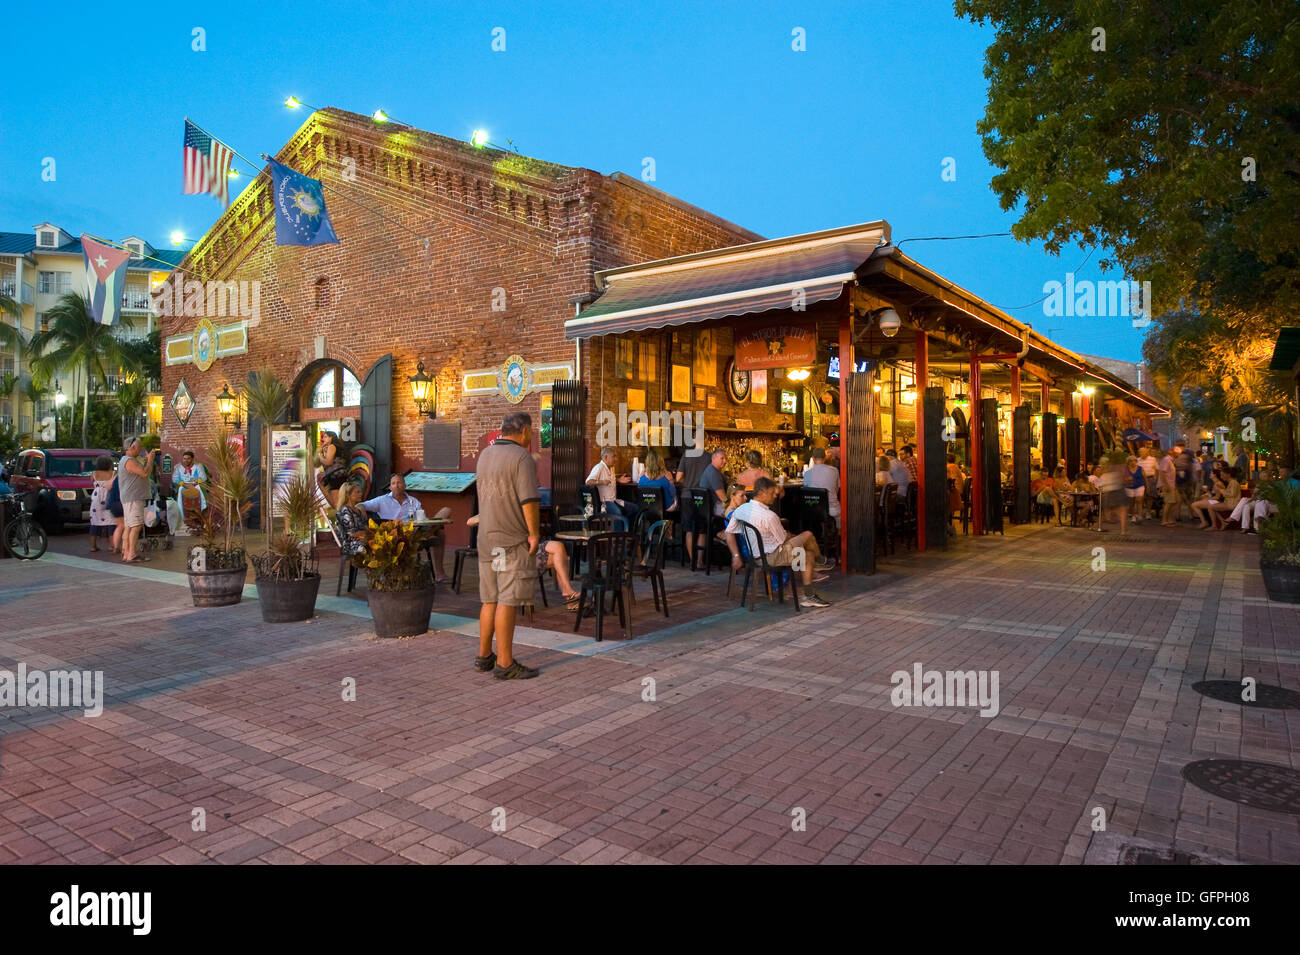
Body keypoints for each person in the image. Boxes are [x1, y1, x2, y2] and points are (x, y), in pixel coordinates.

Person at [475, 412, 542, 680]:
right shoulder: (521, 457)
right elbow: (529, 500)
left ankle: (483, 656)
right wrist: (535, 534)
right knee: (507, 600)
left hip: (486, 538)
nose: (533, 436)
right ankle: (504, 663)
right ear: (524, 431)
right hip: (510, 541)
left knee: (489, 598)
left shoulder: (484, 455)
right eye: (532, 431)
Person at [724, 477, 832, 608]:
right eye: (772, 493)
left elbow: (729, 531)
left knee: (807, 554)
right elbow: (783, 540)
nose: (775, 496)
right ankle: (820, 561)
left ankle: (809, 594)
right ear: (762, 493)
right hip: (772, 557)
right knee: (808, 535)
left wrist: (736, 554)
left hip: (756, 556)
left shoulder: (741, 510)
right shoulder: (769, 516)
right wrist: (793, 536)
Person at [363, 474, 451, 581]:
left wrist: (423, 522)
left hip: (414, 531)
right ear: (390, 487)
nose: (396, 486)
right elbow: (362, 505)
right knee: (439, 533)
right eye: (393, 483)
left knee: (446, 511)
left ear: (404, 485)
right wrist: (360, 510)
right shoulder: (381, 500)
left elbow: (421, 518)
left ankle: (439, 574)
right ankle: (431, 531)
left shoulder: (413, 501)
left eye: (399, 483)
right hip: (394, 537)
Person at [686, 447, 727, 569]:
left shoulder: (712, 471)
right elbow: (722, 497)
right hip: (712, 509)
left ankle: (699, 561)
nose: (725, 461)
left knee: (703, 531)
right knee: (737, 514)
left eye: (726, 459)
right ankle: (723, 534)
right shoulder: (713, 472)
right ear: (713, 458)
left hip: (703, 510)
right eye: (722, 458)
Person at [117, 437, 156, 563]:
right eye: (139, 447)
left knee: (129, 525)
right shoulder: (129, 461)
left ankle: (126, 551)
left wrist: (145, 461)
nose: (140, 450)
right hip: (133, 498)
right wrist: (150, 460)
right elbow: (145, 473)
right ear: (132, 447)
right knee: (136, 525)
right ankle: (132, 554)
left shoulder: (129, 460)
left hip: (131, 497)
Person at [586, 446, 638, 524]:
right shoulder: (599, 467)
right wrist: (602, 482)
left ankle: (625, 530)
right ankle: (617, 535)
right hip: (604, 502)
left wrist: (618, 480)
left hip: (614, 501)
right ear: (605, 457)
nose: (615, 459)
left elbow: (609, 481)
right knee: (618, 513)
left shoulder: (611, 468)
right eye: (613, 456)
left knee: (634, 508)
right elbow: (588, 482)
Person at [802, 447, 841, 524]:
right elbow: (836, 490)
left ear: (812, 459)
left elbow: (807, 494)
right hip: (833, 510)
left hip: (816, 512)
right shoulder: (834, 471)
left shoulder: (807, 474)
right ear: (825, 457)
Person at [334, 479, 370, 557]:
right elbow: (352, 534)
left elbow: (365, 527)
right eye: (357, 492)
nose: (361, 494)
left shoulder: (358, 511)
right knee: (374, 547)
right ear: (348, 495)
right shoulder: (345, 511)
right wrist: (368, 535)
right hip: (350, 545)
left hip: (361, 540)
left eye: (360, 491)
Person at [88, 455, 116, 553]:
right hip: (109, 497)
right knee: (111, 522)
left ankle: (93, 546)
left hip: (96, 499)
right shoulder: (113, 473)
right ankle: (112, 546)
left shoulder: (94, 473)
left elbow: (92, 480)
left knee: (94, 522)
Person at [173, 449, 208, 523]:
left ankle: (201, 511)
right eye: (184, 459)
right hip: (183, 485)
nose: (186, 460)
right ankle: (182, 516)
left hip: (196, 484)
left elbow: (203, 477)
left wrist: (194, 484)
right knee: (180, 490)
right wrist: (184, 484)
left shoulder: (198, 466)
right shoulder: (178, 467)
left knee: (200, 490)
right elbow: (175, 479)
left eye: (188, 458)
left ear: (192, 459)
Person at [1099, 458, 1128, 534]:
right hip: (1117, 491)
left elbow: (1102, 487)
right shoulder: (1114, 473)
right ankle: (1122, 529)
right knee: (1121, 510)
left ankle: (1122, 529)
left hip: (1113, 492)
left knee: (1120, 510)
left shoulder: (1106, 475)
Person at [1157, 446, 1179, 526]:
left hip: (1171, 484)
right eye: (1178, 453)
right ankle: (1164, 520)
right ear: (1174, 453)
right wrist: (1165, 485)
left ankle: (1169, 519)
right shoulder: (1167, 460)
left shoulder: (1171, 460)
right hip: (1168, 485)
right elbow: (1162, 472)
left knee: (1174, 502)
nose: (1179, 455)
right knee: (1168, 502)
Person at [1125, 456, 1146, 523]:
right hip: (1129, 487)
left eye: (1134, 460)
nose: (1132, 462)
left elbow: (1145, 478)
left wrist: (1147, 486)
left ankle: (1139, 516)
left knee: (1139, 500)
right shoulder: (1126, 469)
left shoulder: (1140, 468)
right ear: (1128, 462)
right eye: (1131, 461)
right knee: (1132, 502)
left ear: (1136, 461)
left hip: (1139, 486)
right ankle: (1133, 515)